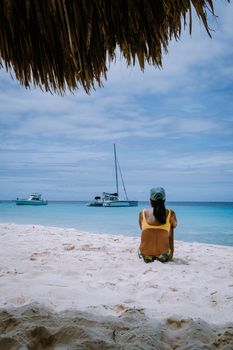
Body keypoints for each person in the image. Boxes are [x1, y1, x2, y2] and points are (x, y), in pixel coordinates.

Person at [138, 187, 177, 263]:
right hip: (163, 256)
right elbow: (174, 227)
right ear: (164, 200)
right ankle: (170, 253)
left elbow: (142, 228)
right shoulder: (170, 213)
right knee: (170, 227)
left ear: (150, 201)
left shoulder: (142, 213)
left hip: (146, 256)